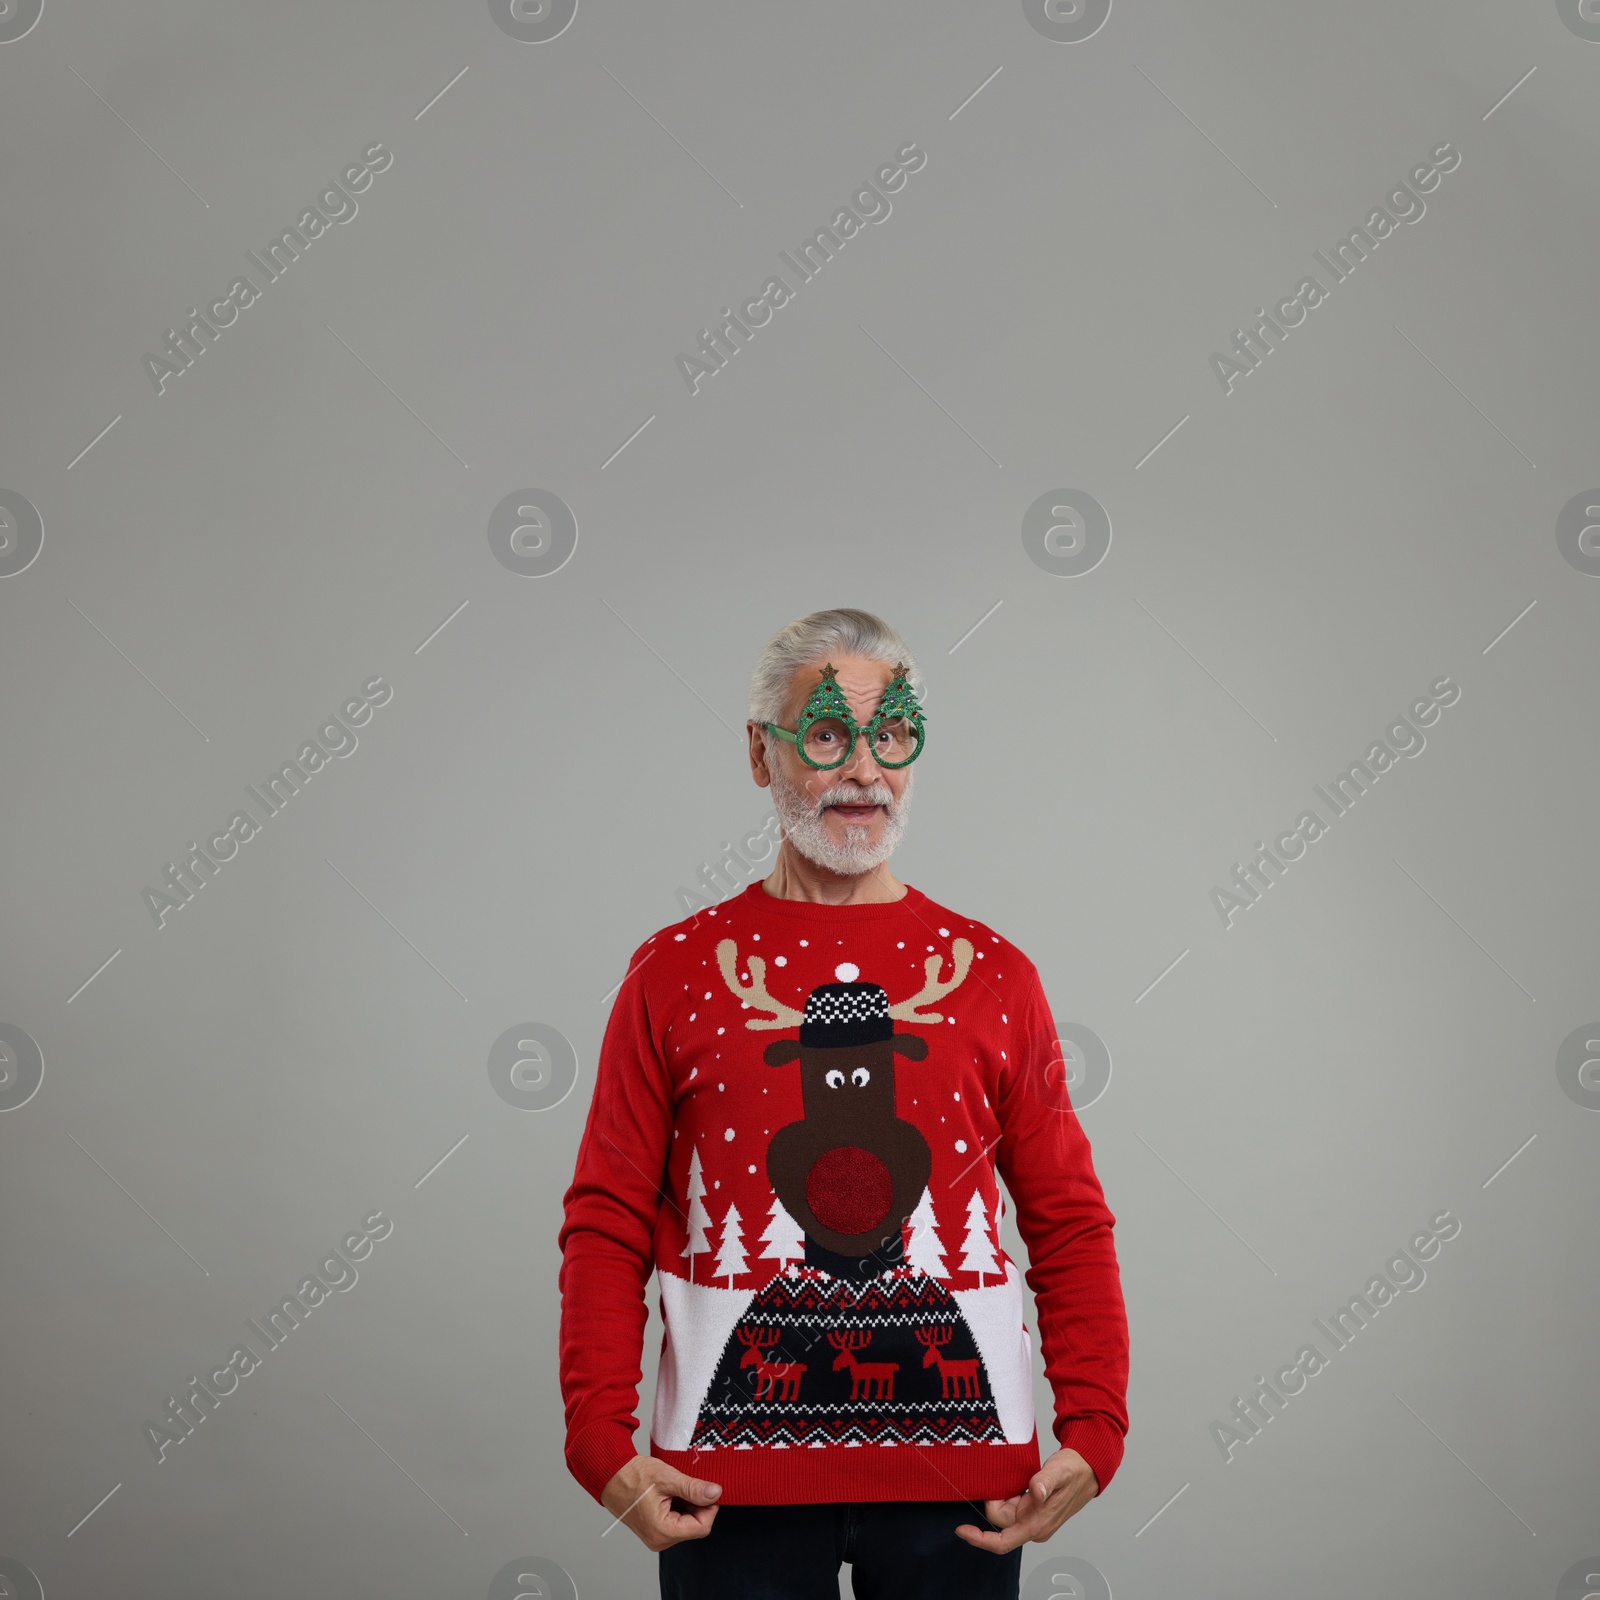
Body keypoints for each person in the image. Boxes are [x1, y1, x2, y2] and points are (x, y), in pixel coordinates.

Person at [558, 608, 1128, 1599]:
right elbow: (607, 1217)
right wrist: (597, 1443)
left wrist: (1095, 1426)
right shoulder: (674, 972)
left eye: (891, 733)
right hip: (722, 1484)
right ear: (759, 752)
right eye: (825, 735)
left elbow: (1066, 1217)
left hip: (967, 1483)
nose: (863, 768)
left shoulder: (995, 976)